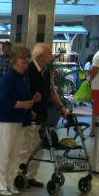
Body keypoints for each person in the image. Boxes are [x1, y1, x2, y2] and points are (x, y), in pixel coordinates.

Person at [0, 44, 40, 196]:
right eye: (22, 57)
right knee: (4, 154)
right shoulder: (8, 78)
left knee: (16, 155)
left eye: (27, 57)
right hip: (4, 120)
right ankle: (0, 185)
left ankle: (10, 183)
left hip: (18, 119)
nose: (25, 60)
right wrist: (25, 105)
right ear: (14, 60)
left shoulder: (23, 78)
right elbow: (3, 101)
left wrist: (31, 104)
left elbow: (21, 99)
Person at [20, 43, 69, 188]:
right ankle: (20, 175)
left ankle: (30, 176)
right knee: (27, 147)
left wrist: (62, 108)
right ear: (41, 55)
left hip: (42, 115)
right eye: (49, 53)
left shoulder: (46, 71)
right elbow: (22, 92)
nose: (51, 56)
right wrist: (30, 111)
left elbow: (52, 92)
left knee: (39, 148)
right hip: (30, 115)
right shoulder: (29, 70)